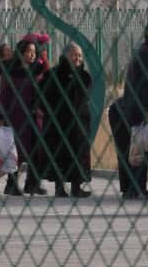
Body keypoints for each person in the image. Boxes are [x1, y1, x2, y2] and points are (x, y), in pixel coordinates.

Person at [112, 19, 148, 199]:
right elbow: (147, 82)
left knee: (133, 148)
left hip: (131, 106)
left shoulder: (145, 50)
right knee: (141, 147)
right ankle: (138, 188)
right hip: (140, 108)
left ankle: (131, 188)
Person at [41, 43, 93, 198]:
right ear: (65, 56)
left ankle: (77, 187)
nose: (77, 58)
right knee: (60, 154)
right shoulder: (53, 75)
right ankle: (59, 187)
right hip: (59, 123)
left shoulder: (84, 76)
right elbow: (42, 97)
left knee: (79, 153)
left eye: (80, 55)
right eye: (74, 54)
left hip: (79, 124)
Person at [0, 39, 48, 196]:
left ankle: (32, 183)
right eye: (28, 52)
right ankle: (11, 184)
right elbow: (4, 96)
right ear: (20, 53)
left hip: (36, 117)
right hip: (17, 117)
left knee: (37, 150)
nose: (32, 55)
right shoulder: (12, 73)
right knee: (17, 152)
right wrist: (1, 116)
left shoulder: (37, 71)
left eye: (34, 52)